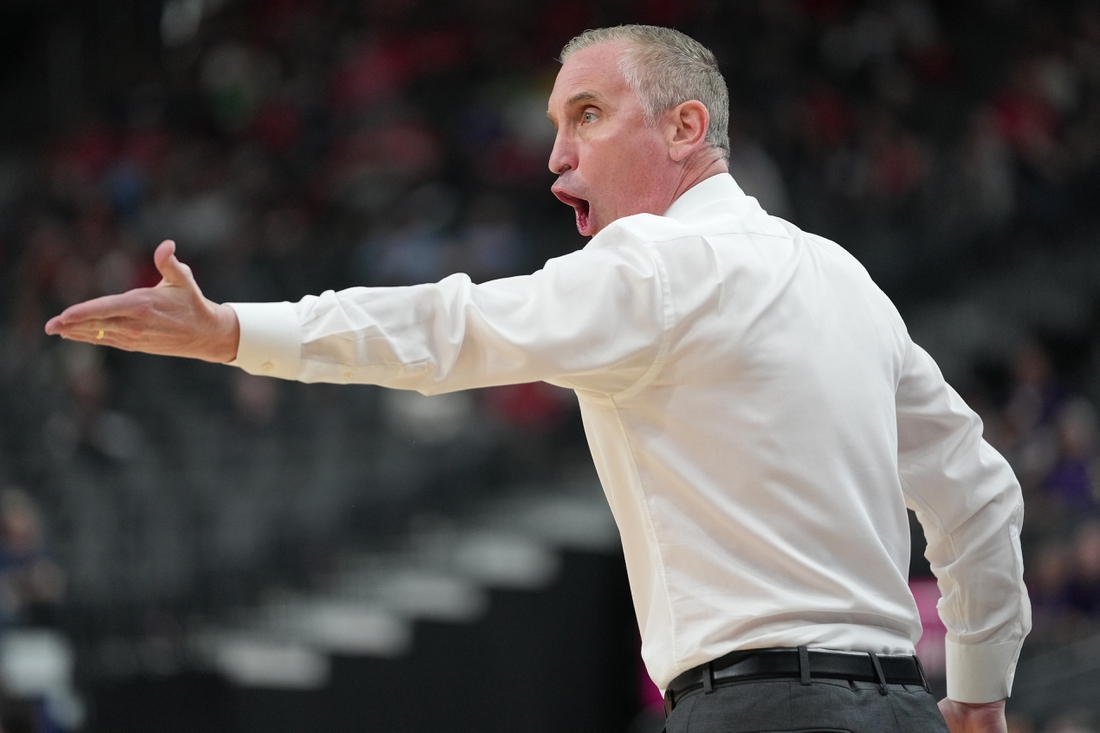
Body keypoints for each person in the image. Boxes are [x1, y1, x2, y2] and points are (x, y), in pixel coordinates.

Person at [45, 25, 1028, 733]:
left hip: (757, 710)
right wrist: (976, 690)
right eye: (555, 125)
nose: (556, 157)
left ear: (685, 126)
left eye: (588, 116)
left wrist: (236, 333)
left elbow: (452, 326)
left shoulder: (654, 262)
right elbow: (978, 493)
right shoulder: (841, 277)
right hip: (902, 708)